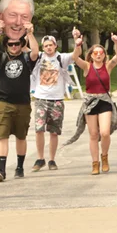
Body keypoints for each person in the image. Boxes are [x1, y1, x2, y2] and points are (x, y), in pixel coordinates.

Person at [0, 17, 39, 182]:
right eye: (11, 44)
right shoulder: (2, 58)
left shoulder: (25, 59)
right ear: (6, 46)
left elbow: (35, 52)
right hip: (4, 103)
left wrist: (30, 33)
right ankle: (1, 170)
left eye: (17, 43)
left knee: (21, 136)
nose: (14, 46)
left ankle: (19, 166)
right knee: (2, 136)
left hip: (23, 103)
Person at [68, 31, 117, 175]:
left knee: (104, 133)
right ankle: (95, 163)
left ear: (104, 55)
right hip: (90, 101)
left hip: (104, 101)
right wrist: (76, 43)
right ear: (91, 55)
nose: (98, 55)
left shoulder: (108, 66)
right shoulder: (87, 66)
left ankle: (104, 157)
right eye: (95, 53)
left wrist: (116, 42)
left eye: (101, 53)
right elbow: (75, 57)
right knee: (93, 134)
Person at [30, 35, 74, 172]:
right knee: (39, 129)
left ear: (55, 45)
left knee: (54, 132)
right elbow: (30, 49)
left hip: (57, 100)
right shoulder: (38, 57)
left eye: (51, 45)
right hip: (41, 99)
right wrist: (29, 33)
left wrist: (77, 42)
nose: (48, 47)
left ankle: (52, 159)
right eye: (46, 45)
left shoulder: (62, 58)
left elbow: (75, 55)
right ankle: (40, 158)